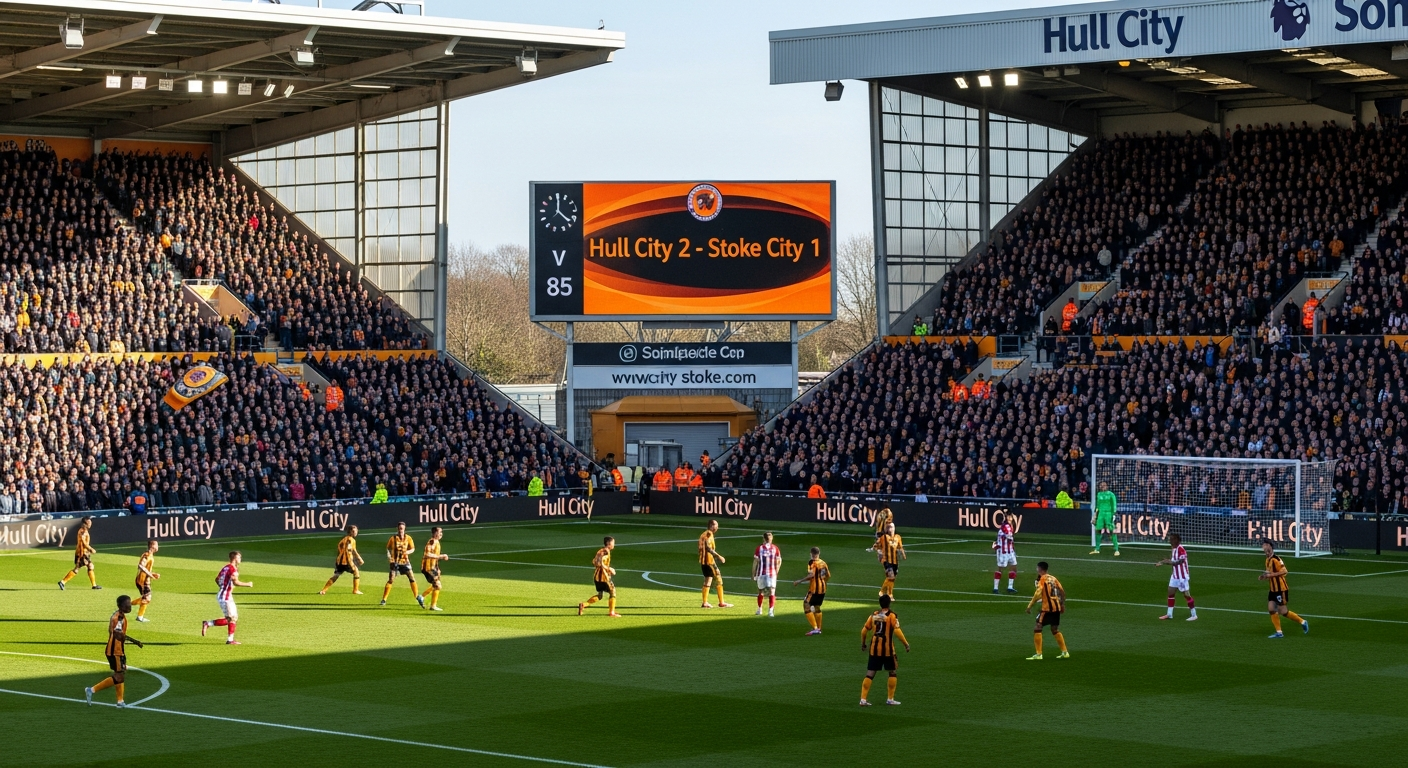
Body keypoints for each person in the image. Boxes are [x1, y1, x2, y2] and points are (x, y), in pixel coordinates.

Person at [85, 594, 143, 708]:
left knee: (120, 673)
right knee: (119, 675)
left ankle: (120, 701)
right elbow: (117, 633)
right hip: (114, 650)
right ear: (121, 606)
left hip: (118, 649)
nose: (129, 606)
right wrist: (134, 641)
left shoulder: (120, 615)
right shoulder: (118, 617)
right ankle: (91, 690)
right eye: (127, 604)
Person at [859, 594, 909, 706]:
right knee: (892, 672)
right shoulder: (892, 616)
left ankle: (863, 699)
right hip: (888, 650)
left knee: (870, 673)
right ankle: (890, 699)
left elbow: (864, 631)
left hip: (874, 649)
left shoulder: (873, 615)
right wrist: (906, 644)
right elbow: (897, 631)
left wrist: (863, 644)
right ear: (889, 603)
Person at [202, 551, 253, 645]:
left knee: (233, 618)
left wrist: (223, 587)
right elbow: (236, 582)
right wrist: (248, 584)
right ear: (235, 558)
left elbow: (217, 579)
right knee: (232, 618)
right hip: (225, 597)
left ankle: (208, 624)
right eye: (239, 557)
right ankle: (229, 640)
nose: (240, 559)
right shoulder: (233, 570)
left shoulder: (225, 567)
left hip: (225, 595)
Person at [1260, 540, 1308, 638]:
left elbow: (1284, 571)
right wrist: (1264, 576)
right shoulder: (1267, 559)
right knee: (1271, 609)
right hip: (1272, 589)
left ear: (1269, 546)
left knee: (1283, 612)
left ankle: (1302, 622)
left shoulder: (1276, 559)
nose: (1263, 547)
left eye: (1264, 545)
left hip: (1281, 589)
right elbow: (1269, 573)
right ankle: (1279, 632)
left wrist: (1271, 575)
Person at [1025, 561, 1069, 660]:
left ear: (1040, 569)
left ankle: (1039, 654)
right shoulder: (1053, 578)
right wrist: (1062, 604)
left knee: (1037, 627)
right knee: (1054, 629)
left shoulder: (1042, 579)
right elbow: (1062, 592)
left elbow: (1037, 594)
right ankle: (1065, 652)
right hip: (1056, 607)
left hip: (1047, 608)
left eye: (1037, 568)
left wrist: (1029, 606)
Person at [1154, 532, 1197, 621]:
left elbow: (1179, 562)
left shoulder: (1181, 550)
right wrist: (1162, 562)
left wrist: (1167, 562)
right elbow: (1172, 560)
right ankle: (1169, 614)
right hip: (1174, 576)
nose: (1170, 541)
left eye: (1171, 539)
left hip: (1182, 577)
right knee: (1170, 593)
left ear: (1176, 540)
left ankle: (1194, 614)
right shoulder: (1174, 549)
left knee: (1186, 595)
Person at [381, 522, 423, 608]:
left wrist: (407, 552)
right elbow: (388, 549)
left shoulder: (408, 538)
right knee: (391, 579)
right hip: (395, 561)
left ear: (404, 529)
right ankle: (384, 599)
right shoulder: (393, 538)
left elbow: (413, 549)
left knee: (411, 577)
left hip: (404, 561)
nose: (401, 530)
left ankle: (416, 596)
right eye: (399, 528)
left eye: (402, 528)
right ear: (397, 529)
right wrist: (389, 557)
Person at [578, 536, 621, 617]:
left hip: (597, 577)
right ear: (609, 543)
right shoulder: (605, 551)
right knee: (613, 592)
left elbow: (594, 561)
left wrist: (604, 567)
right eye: (613, 543)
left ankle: (584, 605)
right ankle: (612, 612)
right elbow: (598, 563)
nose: (614, 544)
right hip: (604, 578)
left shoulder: (600, 551)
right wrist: (609, 569)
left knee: (600, 595)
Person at [792, 546, 828, 635]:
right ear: (818, 554)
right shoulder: (823, 563)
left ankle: (815, 628)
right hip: (822, 589)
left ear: (811, 554)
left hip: (814, 590)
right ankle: (819, 629)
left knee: (806, 605)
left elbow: (811, 575)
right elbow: (828, 575)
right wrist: (822, 582)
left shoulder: (811, 562)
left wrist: (799, 581)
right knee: (817, 607)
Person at [320, 524, 364, 595]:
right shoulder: (351, 540)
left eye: (356, 531)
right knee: (356, 572)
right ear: (350, 532)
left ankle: (323, 590)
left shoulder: (343, 540)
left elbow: (340, 549)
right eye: (354, 531)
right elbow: (352, 550)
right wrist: (359, 558)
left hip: (339, 561)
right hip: (347, 561)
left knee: (336, 575)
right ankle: (355, 590)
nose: (355, 532)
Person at [698, 519, 732, 609]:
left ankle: (705, 602)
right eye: (716, 525)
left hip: (703, 561)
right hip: (709, 562)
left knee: (708, 580)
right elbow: (708, 548)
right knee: (719, 579)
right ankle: (721, 602)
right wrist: (719, 556)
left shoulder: (704, 534)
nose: (717, 527)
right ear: (712, 526)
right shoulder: (708, 534)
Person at [59, 516, 99, 590]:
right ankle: (63, 582)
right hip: (82, 553)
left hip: (84, 553)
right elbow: (83, 543)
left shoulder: (84, 530)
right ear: (85, 524)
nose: (90, 523)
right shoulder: (83, 531)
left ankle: (94, 585)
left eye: (90, 522)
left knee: (89, 566)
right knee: (79, 568)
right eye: (89, 522)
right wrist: (91, 549)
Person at [419, 526, 448, 611]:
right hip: (428, 568)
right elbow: (427, 554)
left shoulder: (437, 542)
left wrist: (437, 567)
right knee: (438, 585)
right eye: (440, 532)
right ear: (435, 533)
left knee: (436, 585)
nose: (441, 534)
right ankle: (433, 606)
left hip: (432, 567)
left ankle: (422, 597)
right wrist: (440, 556)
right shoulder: (432, 542)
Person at [752, 531, 781, 617]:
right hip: (772, 574)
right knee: (772, 592)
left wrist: (753, 574)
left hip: (761, 573)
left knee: (760, 592)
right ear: (771, 539)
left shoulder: (759, 548)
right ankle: (770, 611)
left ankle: (759, 609)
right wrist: (776, 572)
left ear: (764, 539)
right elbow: (778, 561)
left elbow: (755, 562)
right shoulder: (776, 548)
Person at [876, 522, 906, 600]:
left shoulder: (898, 537)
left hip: (895, 561)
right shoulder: (884, 537)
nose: (891, 529)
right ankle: (882, 592)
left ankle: (890, 594)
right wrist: (879, 553)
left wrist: (903, 555)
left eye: (892, 527)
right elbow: (877, 545)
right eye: (889, 527)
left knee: (891, 579)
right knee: (891, 576)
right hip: (886, 560)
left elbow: (900, 547)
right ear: (887, 529)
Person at [1091, 481, 1120, 556]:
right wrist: (1095, 515)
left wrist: (1113, 514)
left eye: (1104, 485)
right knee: (1098, 530)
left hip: (1108, 514)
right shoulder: (1099, 494)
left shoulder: (1111, 494)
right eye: (1101, 485)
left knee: (1111, 531)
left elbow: (1114, 504)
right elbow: (1098, 505)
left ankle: (1116, 549)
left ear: (1107, 486)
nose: (1102, 486)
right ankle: (1097, 549)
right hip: (1100, 514)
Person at [134, 540, 160, 622]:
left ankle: (139, 616)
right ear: (152, 546)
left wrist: (153, 574)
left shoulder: (150, 555)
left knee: (146, 598)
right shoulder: (147, 555)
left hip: (145, 580)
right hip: (142, 581)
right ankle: (126, 605)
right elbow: (140, 566)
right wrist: (149, 574)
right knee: (147, 598)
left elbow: (146, 568)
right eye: (157, 545)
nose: (158, 547)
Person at [993, 519, 1017, 594]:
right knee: (1000, 569)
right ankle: (995, 588)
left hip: (1010, 551)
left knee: (1014, 567)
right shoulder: (1005, 528)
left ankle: (1010, 587)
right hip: (1003, 552)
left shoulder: (1006, 527)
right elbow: (1009, 536)